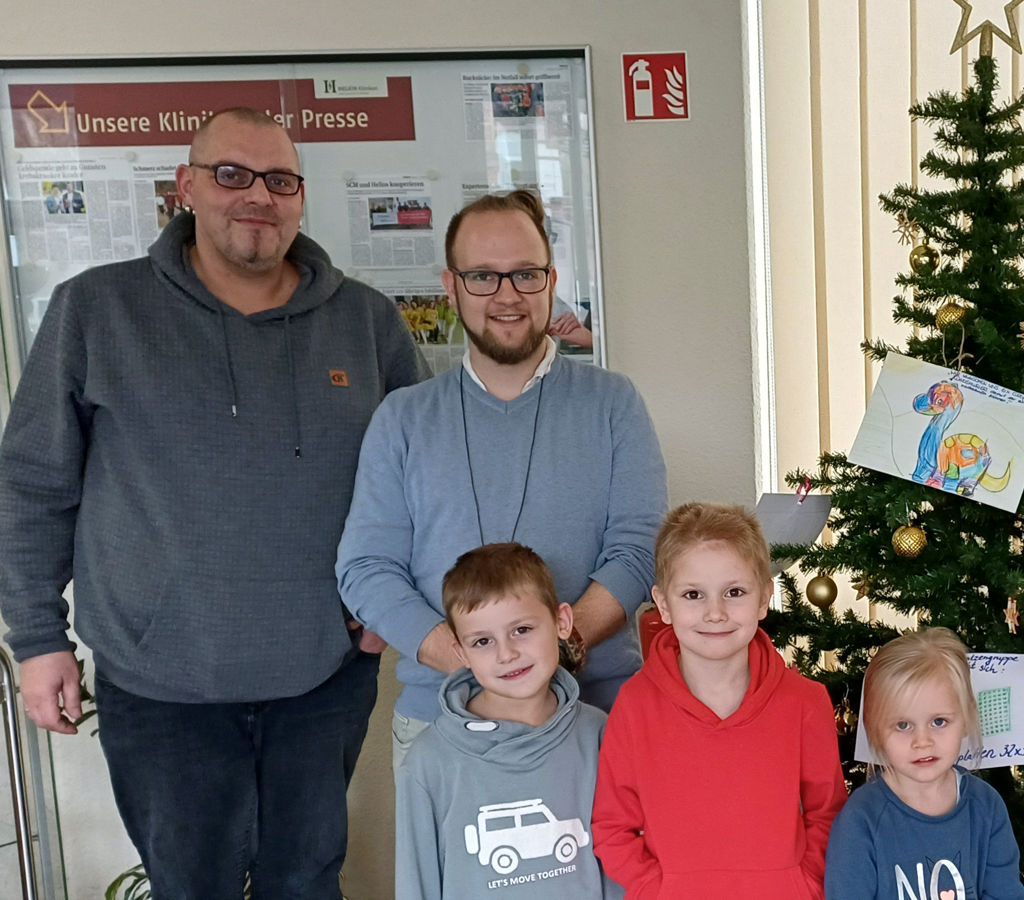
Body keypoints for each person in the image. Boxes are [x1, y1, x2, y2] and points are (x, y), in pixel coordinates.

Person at [0, 107, 422, 897]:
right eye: (231, 175)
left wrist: (394, 607)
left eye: (280, 180)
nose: (257, 196)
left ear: (300, 198)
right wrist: (36, 638)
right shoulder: (96, 310)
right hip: (160, 686)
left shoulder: (366, 323)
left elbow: (420, 483)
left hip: (321, 680)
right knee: (190, 887)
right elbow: (32, 485)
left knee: (306, 881)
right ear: (187, 187)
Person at [337, 189, 666, 770]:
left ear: (551, 279)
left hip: (596, 716)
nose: (507, 296)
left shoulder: (613, 404)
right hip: (442, 721)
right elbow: (365, 567)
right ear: (451, 285)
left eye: (526, 275)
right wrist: (474, 661)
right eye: (483, 276)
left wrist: (553, 654)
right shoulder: (403, 418)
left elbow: (638, 550)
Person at [592, 502, 846, 898]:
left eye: (734, 592)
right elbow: (611, 827)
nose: (715, 612)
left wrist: (804, 884)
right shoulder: (635, 705)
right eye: (693, 594)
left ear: (764, 598)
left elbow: (828, 813)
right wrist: (656, 889)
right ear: (663, 604)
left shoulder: (805, 702)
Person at [395, 543, 619, 900]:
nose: (506, 653)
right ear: (460, 652)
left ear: (562, 622)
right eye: (483, 640)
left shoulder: (600, 735)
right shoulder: (427, 763)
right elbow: (415, 883)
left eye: (521, 629)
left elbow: (621, 861)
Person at [823, 627, 1024, 900]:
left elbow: (1005, 893)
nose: (923, 741)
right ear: (874, 730)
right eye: (903, 725)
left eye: (938, 721)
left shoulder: (986, 807)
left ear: (965, 718)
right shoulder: (860, 821)